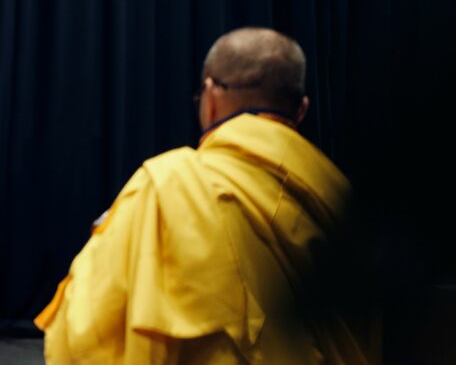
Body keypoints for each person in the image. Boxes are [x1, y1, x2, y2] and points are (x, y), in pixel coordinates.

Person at [36, 27, 374, 364]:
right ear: (301, 110)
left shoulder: (170, 185)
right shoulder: (341, 199)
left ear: (210, 97)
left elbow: (86, 330)